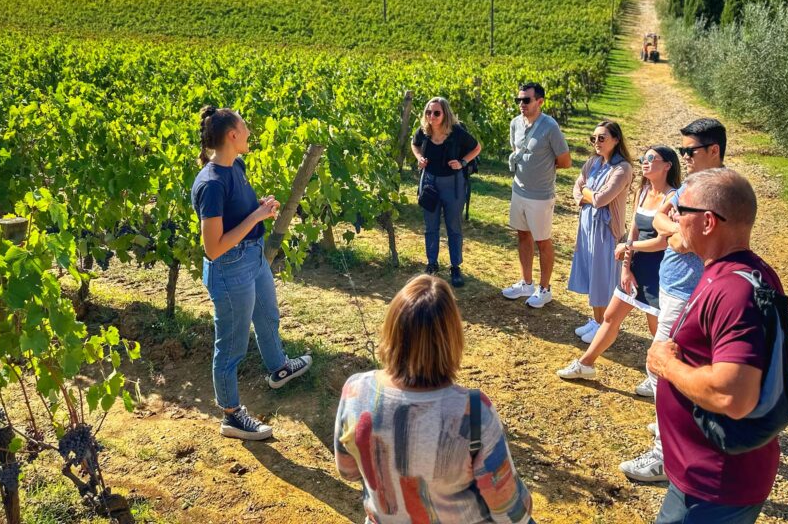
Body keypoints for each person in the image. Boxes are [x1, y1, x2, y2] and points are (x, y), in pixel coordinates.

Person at [334, 275, 535, 524]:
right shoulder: (474, 411)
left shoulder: (355, 389)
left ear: (392, 330)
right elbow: (511, 513)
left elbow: (347, 471)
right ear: (452, 338)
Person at [647, 168, 784, 523]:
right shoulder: (743, 271)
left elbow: (732, 396)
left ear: (708, 222)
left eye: (681, 210)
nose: (674, 217)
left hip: (715, 485)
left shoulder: (733, 292)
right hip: (705, 475)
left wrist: (666, 365)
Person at [191, 106, 313, 441]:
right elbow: (213, 248)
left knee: (268, 316)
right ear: (232, 135)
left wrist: (257, 208)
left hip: (253, 258)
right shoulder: (211, 184)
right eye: (245, 128)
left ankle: (279, 367)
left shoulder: (236, 166)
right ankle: (231, 415)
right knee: (231, 345)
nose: (249, 133)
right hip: (229, 269)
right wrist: (256, 217)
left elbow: (238, 214)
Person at [620, 118, 726, 482]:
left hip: (688, 294)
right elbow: (665, 221)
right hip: (673, 287)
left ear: (714, 150)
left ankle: (665, 456)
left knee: (663, 368)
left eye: (690, 151)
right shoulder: (693, 185)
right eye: (681, 151)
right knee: (668, 369)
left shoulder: (716, 191)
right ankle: (677, 430)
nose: (685, 157)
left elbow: (683, 242)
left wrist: (674, 229)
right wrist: (674, 225)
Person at [558, 145, 680, 382]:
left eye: (652, 159)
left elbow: (662, 243)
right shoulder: (642, 192)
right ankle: (586, 364)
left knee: (658, 331)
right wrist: (626, 268)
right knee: (611, 318)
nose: (645, 162)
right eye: (644, 158)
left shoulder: (673, 197)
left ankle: (658, 377)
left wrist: (628, 249)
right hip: (634, 266)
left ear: (667, 165)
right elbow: (632, 231)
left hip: (658, 272)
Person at [502, 82, 572, 308]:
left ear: (540, 102)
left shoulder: (550, 127)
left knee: (543, 241)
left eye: (526, 100)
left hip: (541, 195)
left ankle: (545, 289)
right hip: (519, 190)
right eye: (518, 100)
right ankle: (526, 283)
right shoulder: (515, 124)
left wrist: (542, 169)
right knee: (523, 236)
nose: (521, 104)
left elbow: (565, 161)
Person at [566, 121, 633, 337]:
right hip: (588, 226)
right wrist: (588, 194)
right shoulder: (593, 162)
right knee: (592, 275)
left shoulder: (622, 168)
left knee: (603, 278)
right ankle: (597, 320)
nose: (596, 142)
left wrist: (588, 193)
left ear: (616, 140)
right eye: (593, 138)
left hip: (606, 230)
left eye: (601, 138)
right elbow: (577, 189)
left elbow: (601, 199)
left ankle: (604, 325)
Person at [412, 97, 482, 287]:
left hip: (453, 184)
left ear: (445, 114)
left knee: (454, 227)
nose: (431, 116)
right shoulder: (424, 132)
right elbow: (414, 143)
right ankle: (432, 264)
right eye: (428, 112)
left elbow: (477, 147)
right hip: (429, 182)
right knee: (430, 226)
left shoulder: (457, 132)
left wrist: (463, 162)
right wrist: (419, 157)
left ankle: (455, 267)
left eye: (436, 113)